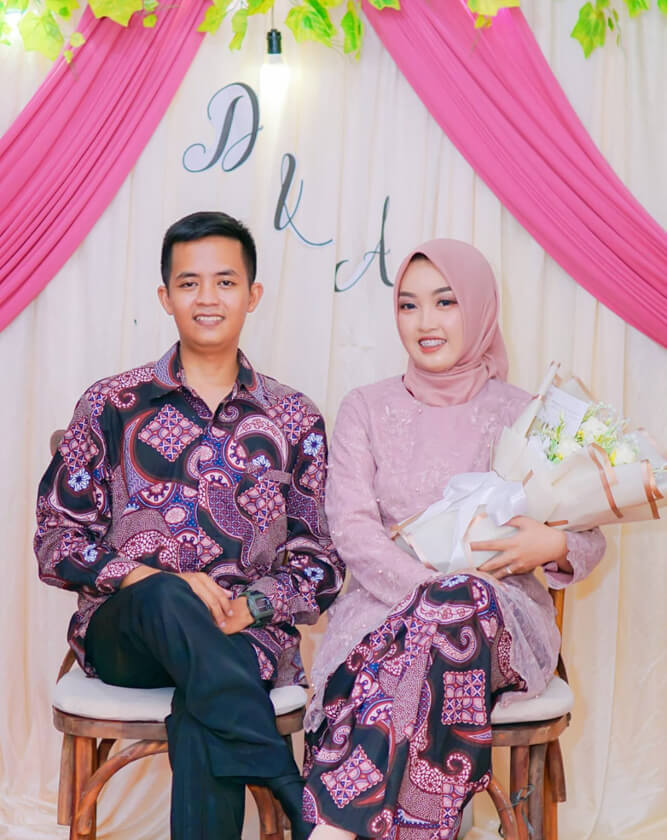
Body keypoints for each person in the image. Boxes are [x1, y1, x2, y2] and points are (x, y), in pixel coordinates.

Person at [35, 211, 345, 840]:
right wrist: (149, 578)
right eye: (189, 283)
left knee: (207, 705)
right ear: (165, 297)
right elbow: (55, 542)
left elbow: (320, 563)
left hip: (242, 637)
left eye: (225, 282)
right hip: (128, 637)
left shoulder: (295, 418)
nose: (208, 298)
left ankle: (295, 802)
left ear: (253, 295)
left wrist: (251, 606)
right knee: (166, 596)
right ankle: (294, 790)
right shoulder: (111, 404)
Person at [303, 238, 605, 840]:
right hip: (381, 614)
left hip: (500, 622)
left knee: (462, 602)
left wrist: (550, 546)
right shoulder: (365, 408)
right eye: (409, 305)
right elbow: (353, 530)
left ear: (480, 308)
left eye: (445, 302)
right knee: (447, 613)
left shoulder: (525, 414)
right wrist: (434, 595)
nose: (425, 322)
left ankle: (339, 821)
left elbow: (589, 535)